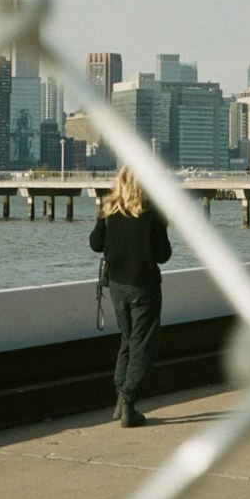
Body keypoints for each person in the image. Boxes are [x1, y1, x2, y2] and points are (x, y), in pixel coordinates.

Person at [89, 166, 172, 427]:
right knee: (143, 345)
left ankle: (119, 399)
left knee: (127, 339)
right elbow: (163, 254)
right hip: (144, 286)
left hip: (117, 287)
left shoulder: (109, 208)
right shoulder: (152, 211)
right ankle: (129, 402)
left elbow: (95, 244)